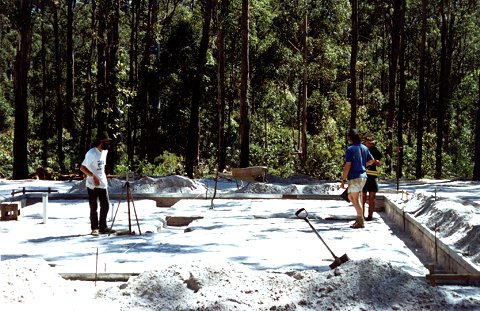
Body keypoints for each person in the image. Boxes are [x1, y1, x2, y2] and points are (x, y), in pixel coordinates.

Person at [80, 131, 115, 236]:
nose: (108, 144)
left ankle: (103, 227)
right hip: (92, 184)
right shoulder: (91, 153)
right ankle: (94, 228)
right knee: (94, 207)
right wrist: (93, 176)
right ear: (101, 142)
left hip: (102, 183)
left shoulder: (105, 152)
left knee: (105, 205)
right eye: (107, 142)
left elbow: (101, 167)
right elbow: (82, 168)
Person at [340, 129, 374, 229]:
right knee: (351, 197)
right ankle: (360, 218)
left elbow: (348, 165)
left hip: (355, 177)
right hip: (363, 177)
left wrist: (343, 179)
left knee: (355, 198)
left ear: (350, 138)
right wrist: (363, 165)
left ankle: (360, 221)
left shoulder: (350, 149)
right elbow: (371, 160)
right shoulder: (364, 148)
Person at [362, 134, 382, 221]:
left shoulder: (375, 150)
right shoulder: (361, 149)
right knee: (362, 197)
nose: (371, 145)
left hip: (373, 175)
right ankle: (361, 216)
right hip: (362, 175)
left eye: (372, 143)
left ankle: (370, 216)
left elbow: (379, 162)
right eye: (369, 143)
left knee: (372, 197)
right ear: (365, 142)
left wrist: (378, 163)